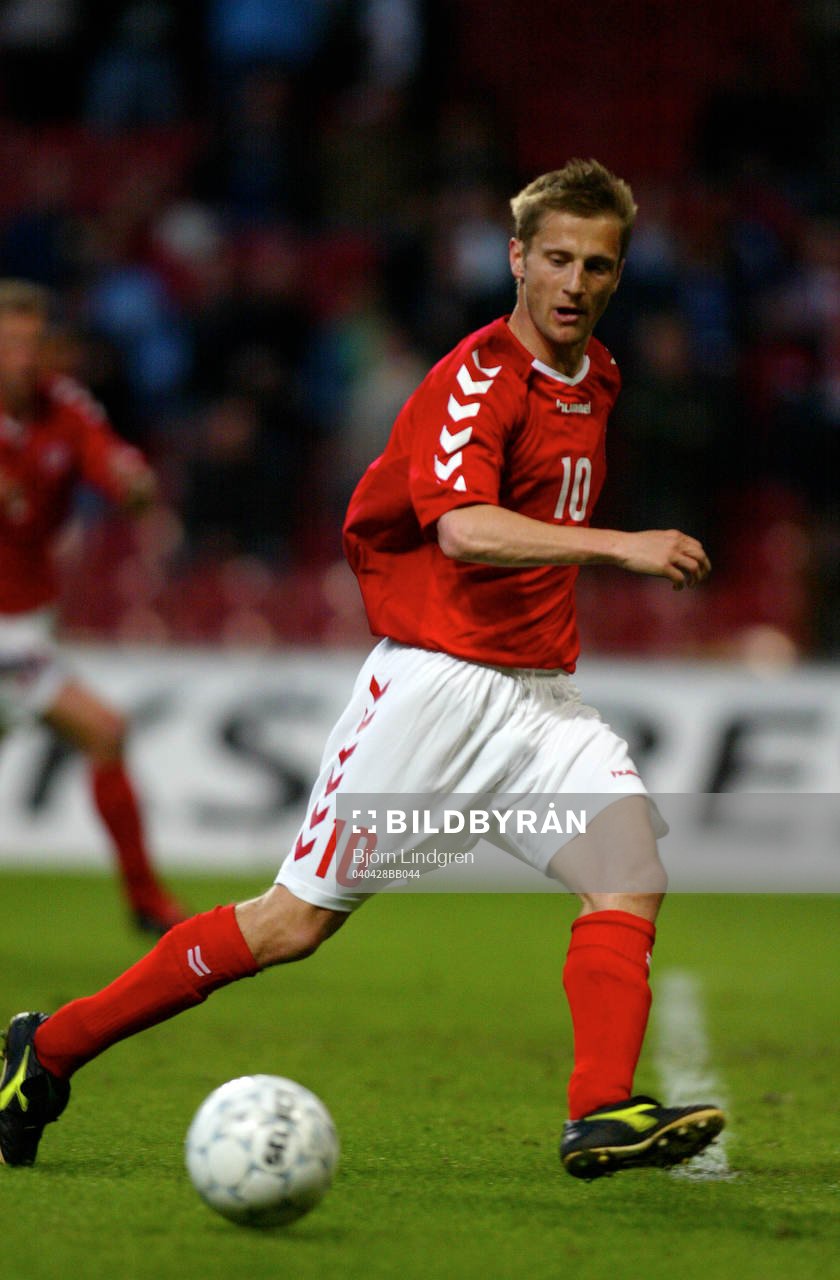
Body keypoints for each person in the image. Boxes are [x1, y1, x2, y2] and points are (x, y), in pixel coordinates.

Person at [0, 162, 725, 1178]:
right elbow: (465, 530)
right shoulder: (478, 379)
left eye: (597, 265)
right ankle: (51, 1048)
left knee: (629, 872)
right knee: (289, 924)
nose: (574, 282)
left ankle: (600, 1110)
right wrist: (622, 546)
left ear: (618, 273)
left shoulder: (597, 374)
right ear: (516, 258)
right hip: (434, 691)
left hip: (538, 699)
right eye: (556, 258)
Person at [0, 280, 185, 938]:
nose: (24, 357)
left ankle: (145, 899)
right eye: (10, 343)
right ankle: (147, 900)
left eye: (33, 342)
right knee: (104, 730)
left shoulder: (64, 405)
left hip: (29, 621)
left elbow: (112, 464)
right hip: (6, 635)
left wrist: (133, 485)